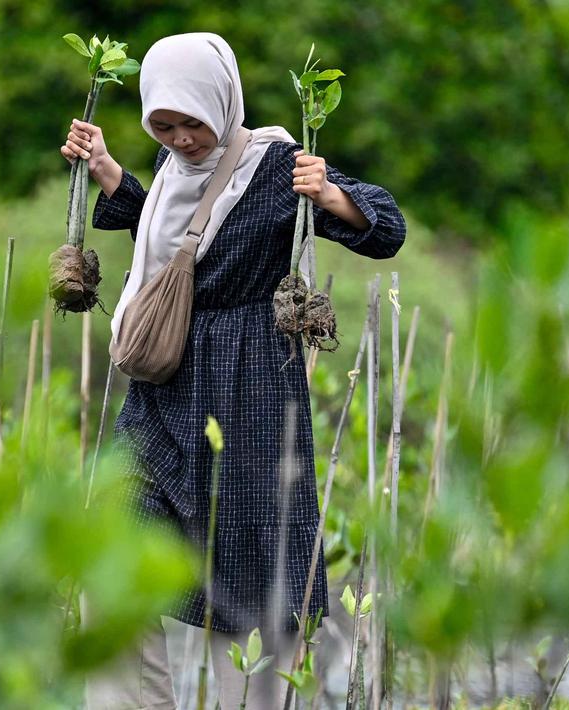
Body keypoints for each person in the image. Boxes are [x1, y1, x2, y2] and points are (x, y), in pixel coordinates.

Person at [60, 32, 406, 709]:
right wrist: (107, 172)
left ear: (224, 105)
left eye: (195, 121)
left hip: (246, 392)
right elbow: (179, 255)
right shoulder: (168, 171)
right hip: (162, 396)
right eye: (164, 123)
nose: (183, 137)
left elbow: (387, 227)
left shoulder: (274, 166)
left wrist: (331, 193)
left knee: (252, 586)